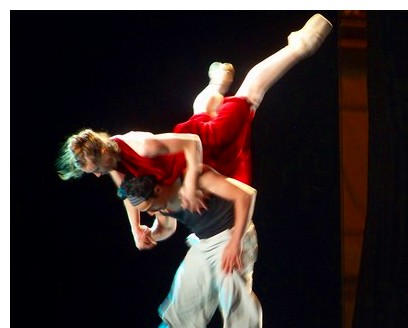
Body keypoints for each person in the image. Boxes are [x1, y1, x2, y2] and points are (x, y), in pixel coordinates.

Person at [56, 13, 333, 250]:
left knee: (248, 98)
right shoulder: (113, 165)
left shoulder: (141, 146)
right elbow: (129, 198)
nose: (95, 175)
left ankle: (298, 45)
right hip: (192, 161)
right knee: (204, 112)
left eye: (94, 168)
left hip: (204, 145)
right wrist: (136, 229)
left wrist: (189, 186)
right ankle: (217, 83)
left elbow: (191, 144)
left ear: (103, 149)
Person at [118, 166, 262, 328]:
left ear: (157, 188)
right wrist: (149, 236)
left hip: (232, 233)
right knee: (183, 302)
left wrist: (235, 243)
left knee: (235, 300)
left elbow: (246, 195)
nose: (153, 212)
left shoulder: (195, 178)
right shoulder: (160, 200)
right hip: (203, 241)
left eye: (151, 207)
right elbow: (165, 228)